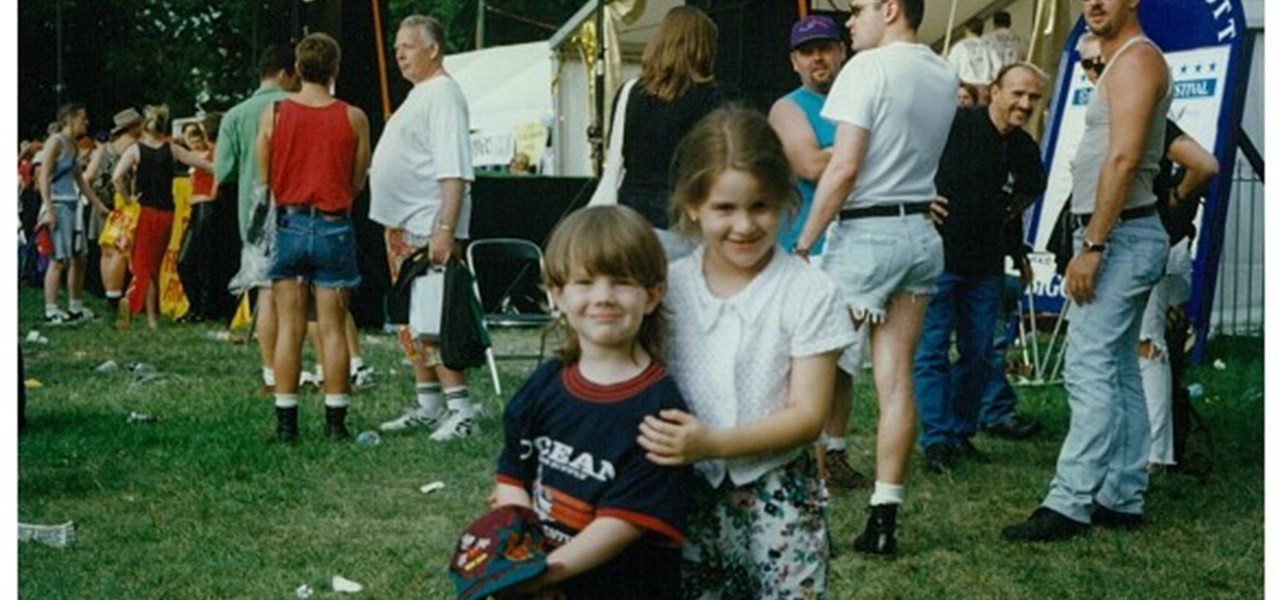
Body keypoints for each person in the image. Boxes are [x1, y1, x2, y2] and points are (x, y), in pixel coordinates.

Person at [639, 107, 854, 598]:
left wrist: (713, 443)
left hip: (779, 496)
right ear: (693, 205)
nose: (744, 225)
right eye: (724, 208)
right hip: (682, 493)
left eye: (760, 206)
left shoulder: (808, 291)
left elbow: (808, 414)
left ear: (784, 200)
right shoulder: (666, 290)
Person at [1002, 0, 1172, 542]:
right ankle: (1121, 495)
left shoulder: (1139, 60)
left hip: (1119, 235)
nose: (1092, 3)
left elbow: (1123, 159)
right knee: (1119, 368)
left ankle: (1070, 501)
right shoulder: (1123, 60)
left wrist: (1093, 244)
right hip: (1119, 233)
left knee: (1088, 365)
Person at [794, 0, 958, 556]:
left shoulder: (865, 68)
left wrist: (802, 242)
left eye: (859, 8)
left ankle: (806, 513)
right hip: (919, 234)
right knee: (896, 381)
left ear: (890, 9)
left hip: (865, 236)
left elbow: (843, 168)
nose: (848, 20)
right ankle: (883, 518)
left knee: (810, 369)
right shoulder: (942, 69)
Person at [491, 205, 693, 600]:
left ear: (652, 296)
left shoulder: (661, 411)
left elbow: (621, 525)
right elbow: (512, 477)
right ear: (557, 295)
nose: (603, 297)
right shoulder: (544, 385)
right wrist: (522, 560)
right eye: (584, 282)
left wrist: (546, 574)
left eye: (621, 282)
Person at [913, 62, 1047, 474]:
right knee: (932, 350)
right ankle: (935, 441)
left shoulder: (1024, 148)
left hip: (986, 265)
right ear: (995, 91)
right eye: (1017, 94)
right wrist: (920, 197)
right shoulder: (955, 124)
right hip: (940, 259)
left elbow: (1031, 189)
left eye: (1033, 97)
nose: (1024, 103)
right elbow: (909, 155)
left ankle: (959, 433)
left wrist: (1009, 228)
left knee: (979, 354)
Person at [767, 15, 868, 491]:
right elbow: (809, 164)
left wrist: (850, 156)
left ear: (841, 52)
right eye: (808, 52)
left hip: (856, 246)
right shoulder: (788, 108)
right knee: (801, 360)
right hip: (803, 248)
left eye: (826, 48)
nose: (818, 58)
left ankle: (836, 451)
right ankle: (800, 456)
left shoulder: (857, 102)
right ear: (794, 61)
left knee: (845, 362)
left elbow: (839, 163)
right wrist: (869, 151)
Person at [256, 32, 371, 443]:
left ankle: (286, 424)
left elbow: (263, 176)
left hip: (288, 224)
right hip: (334, 225)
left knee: (290, 326)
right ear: (335, 70)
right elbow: (358, 180)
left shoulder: (275, 113)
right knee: (333, 327)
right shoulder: (354, 117)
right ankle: (335, 422)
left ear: (298, 69)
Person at [370, 15, 481, 441]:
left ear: (433, 49)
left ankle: (460, 408)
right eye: (396, 47)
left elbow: (454, 169)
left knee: (435, 314)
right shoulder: (420, 94)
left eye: (408, 47)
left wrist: (445, 227)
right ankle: (429, 402)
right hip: (403, 224)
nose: (399, 54)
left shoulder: (444, 94)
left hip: (426, 224)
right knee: (410, 320)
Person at [216, 44, 300, 395]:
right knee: (301, 295)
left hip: (255, 214)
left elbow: (224, 171)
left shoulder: (235, 115)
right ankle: (306, 368)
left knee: (265, 293)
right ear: (286, 73)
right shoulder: (300, 108)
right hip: (299, 209)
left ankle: (270, 371)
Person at [616, 5, 722, 259]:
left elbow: (619, 154)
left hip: (627, 217)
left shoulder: (629, 93)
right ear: (704, 47)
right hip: (679, 222)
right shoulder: (710, 98)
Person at [111, 105, 213, 330]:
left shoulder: (135, 150)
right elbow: (204, 165)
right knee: (154, 265)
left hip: (144, 211)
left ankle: (146, 315)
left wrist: (128, 199)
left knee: (142, 265)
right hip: (167, 213)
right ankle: (150, 313)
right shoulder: (173, 150)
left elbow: (117, 177)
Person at [38, 102, 109, 325]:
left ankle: (75, 305)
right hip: (58, 204)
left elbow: (79, 179)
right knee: (59, 258)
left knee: (80, 257)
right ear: (70, 119)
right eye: (82, 118)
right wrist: (48, 208)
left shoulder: (73, 145)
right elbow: (44, 176)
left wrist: (98, 205)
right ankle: (51, 309)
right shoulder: (55, 142)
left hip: (73, 203)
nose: (86, 122)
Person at [85, 108, 145, 317]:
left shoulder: (104, 149)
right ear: (135, 127)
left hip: (101, 205)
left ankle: (109, 294)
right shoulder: (136, 147)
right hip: (124, 206)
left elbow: (88, 177)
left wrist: (95, 202)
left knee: (106, 252)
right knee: (121, 252)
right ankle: (117, 295)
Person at [177, 120, 218, 322]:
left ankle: (203, 308)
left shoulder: (212, 153)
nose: (191, 141)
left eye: (194, 136)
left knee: (199, 260)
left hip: (206, 206)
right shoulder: (191, 157)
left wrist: (213, 194)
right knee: (186, 261)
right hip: (196, 207)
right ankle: (196, 306)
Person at [947, 18, 998, 105]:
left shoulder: (959, 46)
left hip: (966, 89)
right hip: (984, 88)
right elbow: (998, 66)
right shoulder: (989, 46)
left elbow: (950, 68)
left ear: (967, 30)